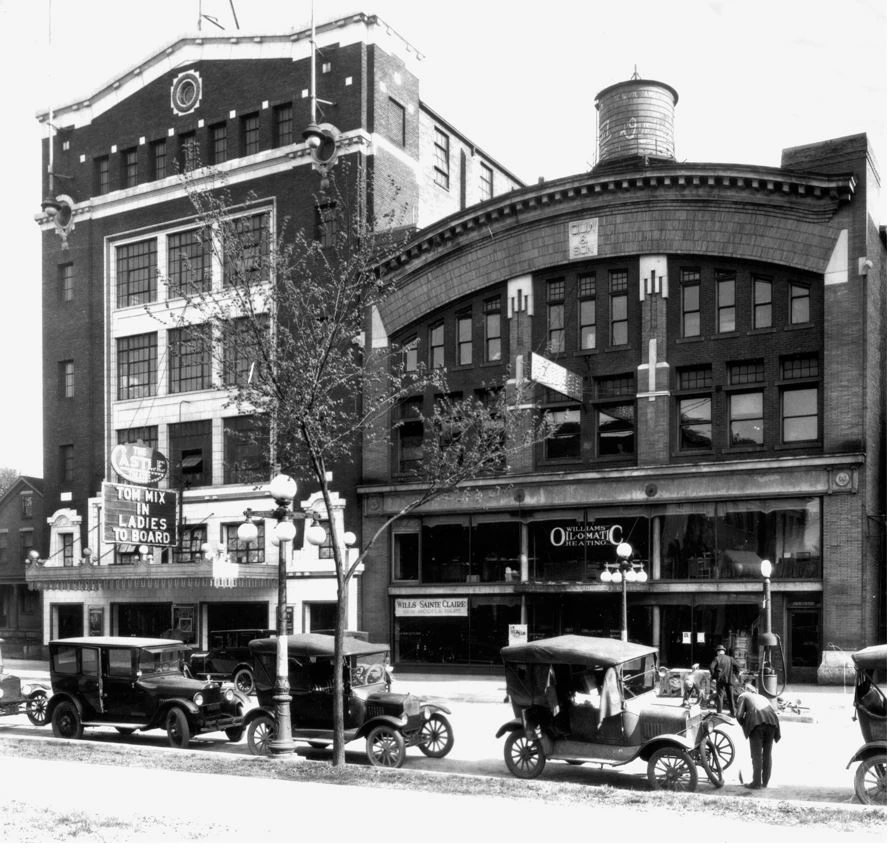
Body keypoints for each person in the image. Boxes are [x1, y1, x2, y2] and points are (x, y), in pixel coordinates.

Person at [735, 682, 781, 789]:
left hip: (757, 723)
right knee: (767, 754)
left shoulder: (743, 696)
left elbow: (738, 715)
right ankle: (765, 782)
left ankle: (756, 783)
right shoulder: (762, 697)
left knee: (756, 755)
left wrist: (744, 724)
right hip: (772, 723)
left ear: (743, 690)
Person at [709, 645, 739, 716]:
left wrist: (714, 676)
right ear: (724, 651)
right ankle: (733, 713)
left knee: (720, 696)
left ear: (718, 652)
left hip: (720, 680)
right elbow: (737, 667)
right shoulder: (730, 659)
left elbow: (711, 667)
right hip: (729, 680)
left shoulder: (716, 658)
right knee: (730, 697)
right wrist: (735, 677)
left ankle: (719, 713)